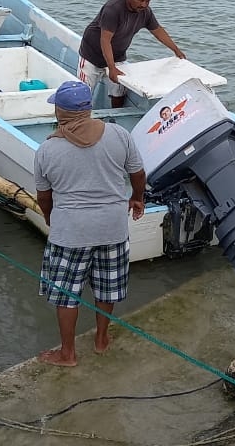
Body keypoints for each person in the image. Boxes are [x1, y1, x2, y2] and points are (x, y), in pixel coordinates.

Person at [34, 81, 146, 367]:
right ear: (88, 109)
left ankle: (68, 353)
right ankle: (101, 340)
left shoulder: (47, 150)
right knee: (107, 287)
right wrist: (137, 199)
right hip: (112, 228)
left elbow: (44, 197)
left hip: (70, 233)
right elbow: (138, 173)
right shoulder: (120, 134)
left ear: (60, 111)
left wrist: (49, 218)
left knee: (66, 294)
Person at [77, 0, 185, 108]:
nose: (143, 5)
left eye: (147, 1)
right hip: (92, 55)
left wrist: (177, 51)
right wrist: (111, 68)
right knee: (81, 95)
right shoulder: (113, 9)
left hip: (118, 56)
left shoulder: (146, 12)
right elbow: (105, 40)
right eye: (140, 0)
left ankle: (115, 118)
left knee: (119, 91)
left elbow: (158, 31)